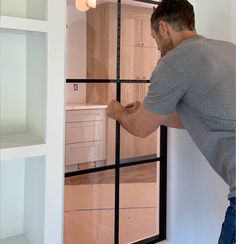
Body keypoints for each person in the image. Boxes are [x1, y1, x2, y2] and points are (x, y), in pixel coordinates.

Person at [106, 0, 236, 243]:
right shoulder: (228, 49)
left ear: (164, 28)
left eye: (154, 37)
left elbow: (141, 128)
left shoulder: (174, 61)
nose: (156, 46)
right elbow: (199, 117)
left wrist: (117, 113)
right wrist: (149, 111)